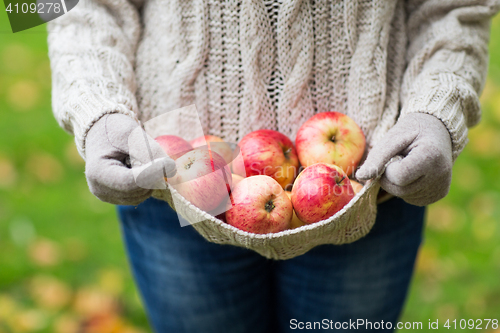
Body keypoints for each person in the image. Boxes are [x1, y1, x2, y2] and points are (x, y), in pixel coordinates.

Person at [47, 0, 499, 332]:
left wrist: (436, 112)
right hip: (172, 183)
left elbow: (461, 6)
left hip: (367, 186)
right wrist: (99, 111)